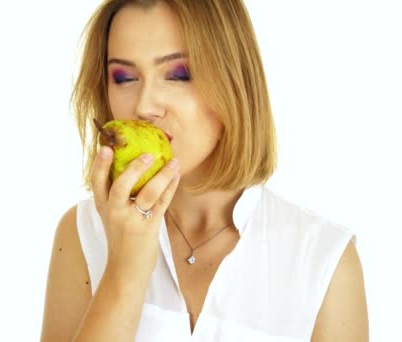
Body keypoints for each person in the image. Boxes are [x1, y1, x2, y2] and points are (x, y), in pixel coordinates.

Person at [40, 0, 369, 341]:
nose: (144, 105)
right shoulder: (82, 234)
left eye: (178, 74)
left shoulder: (324, 261)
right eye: (124, 77)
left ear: (233, 79)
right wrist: (125, 271)